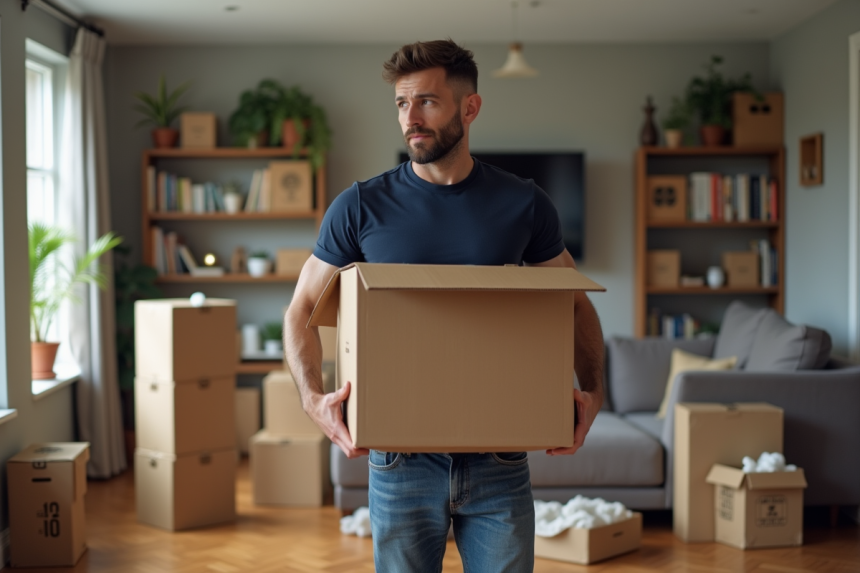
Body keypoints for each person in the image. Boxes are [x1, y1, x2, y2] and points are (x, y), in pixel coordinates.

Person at [284, 39, 604, 573]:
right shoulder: (359, 207)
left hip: (499, 457)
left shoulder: (523, 203)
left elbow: (573, 303)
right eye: (402, 104)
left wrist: (593, 392)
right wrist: (312, 399)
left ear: (469, 107)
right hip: (398, 459)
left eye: (428, 101)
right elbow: (300, 309)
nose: (411, 117)